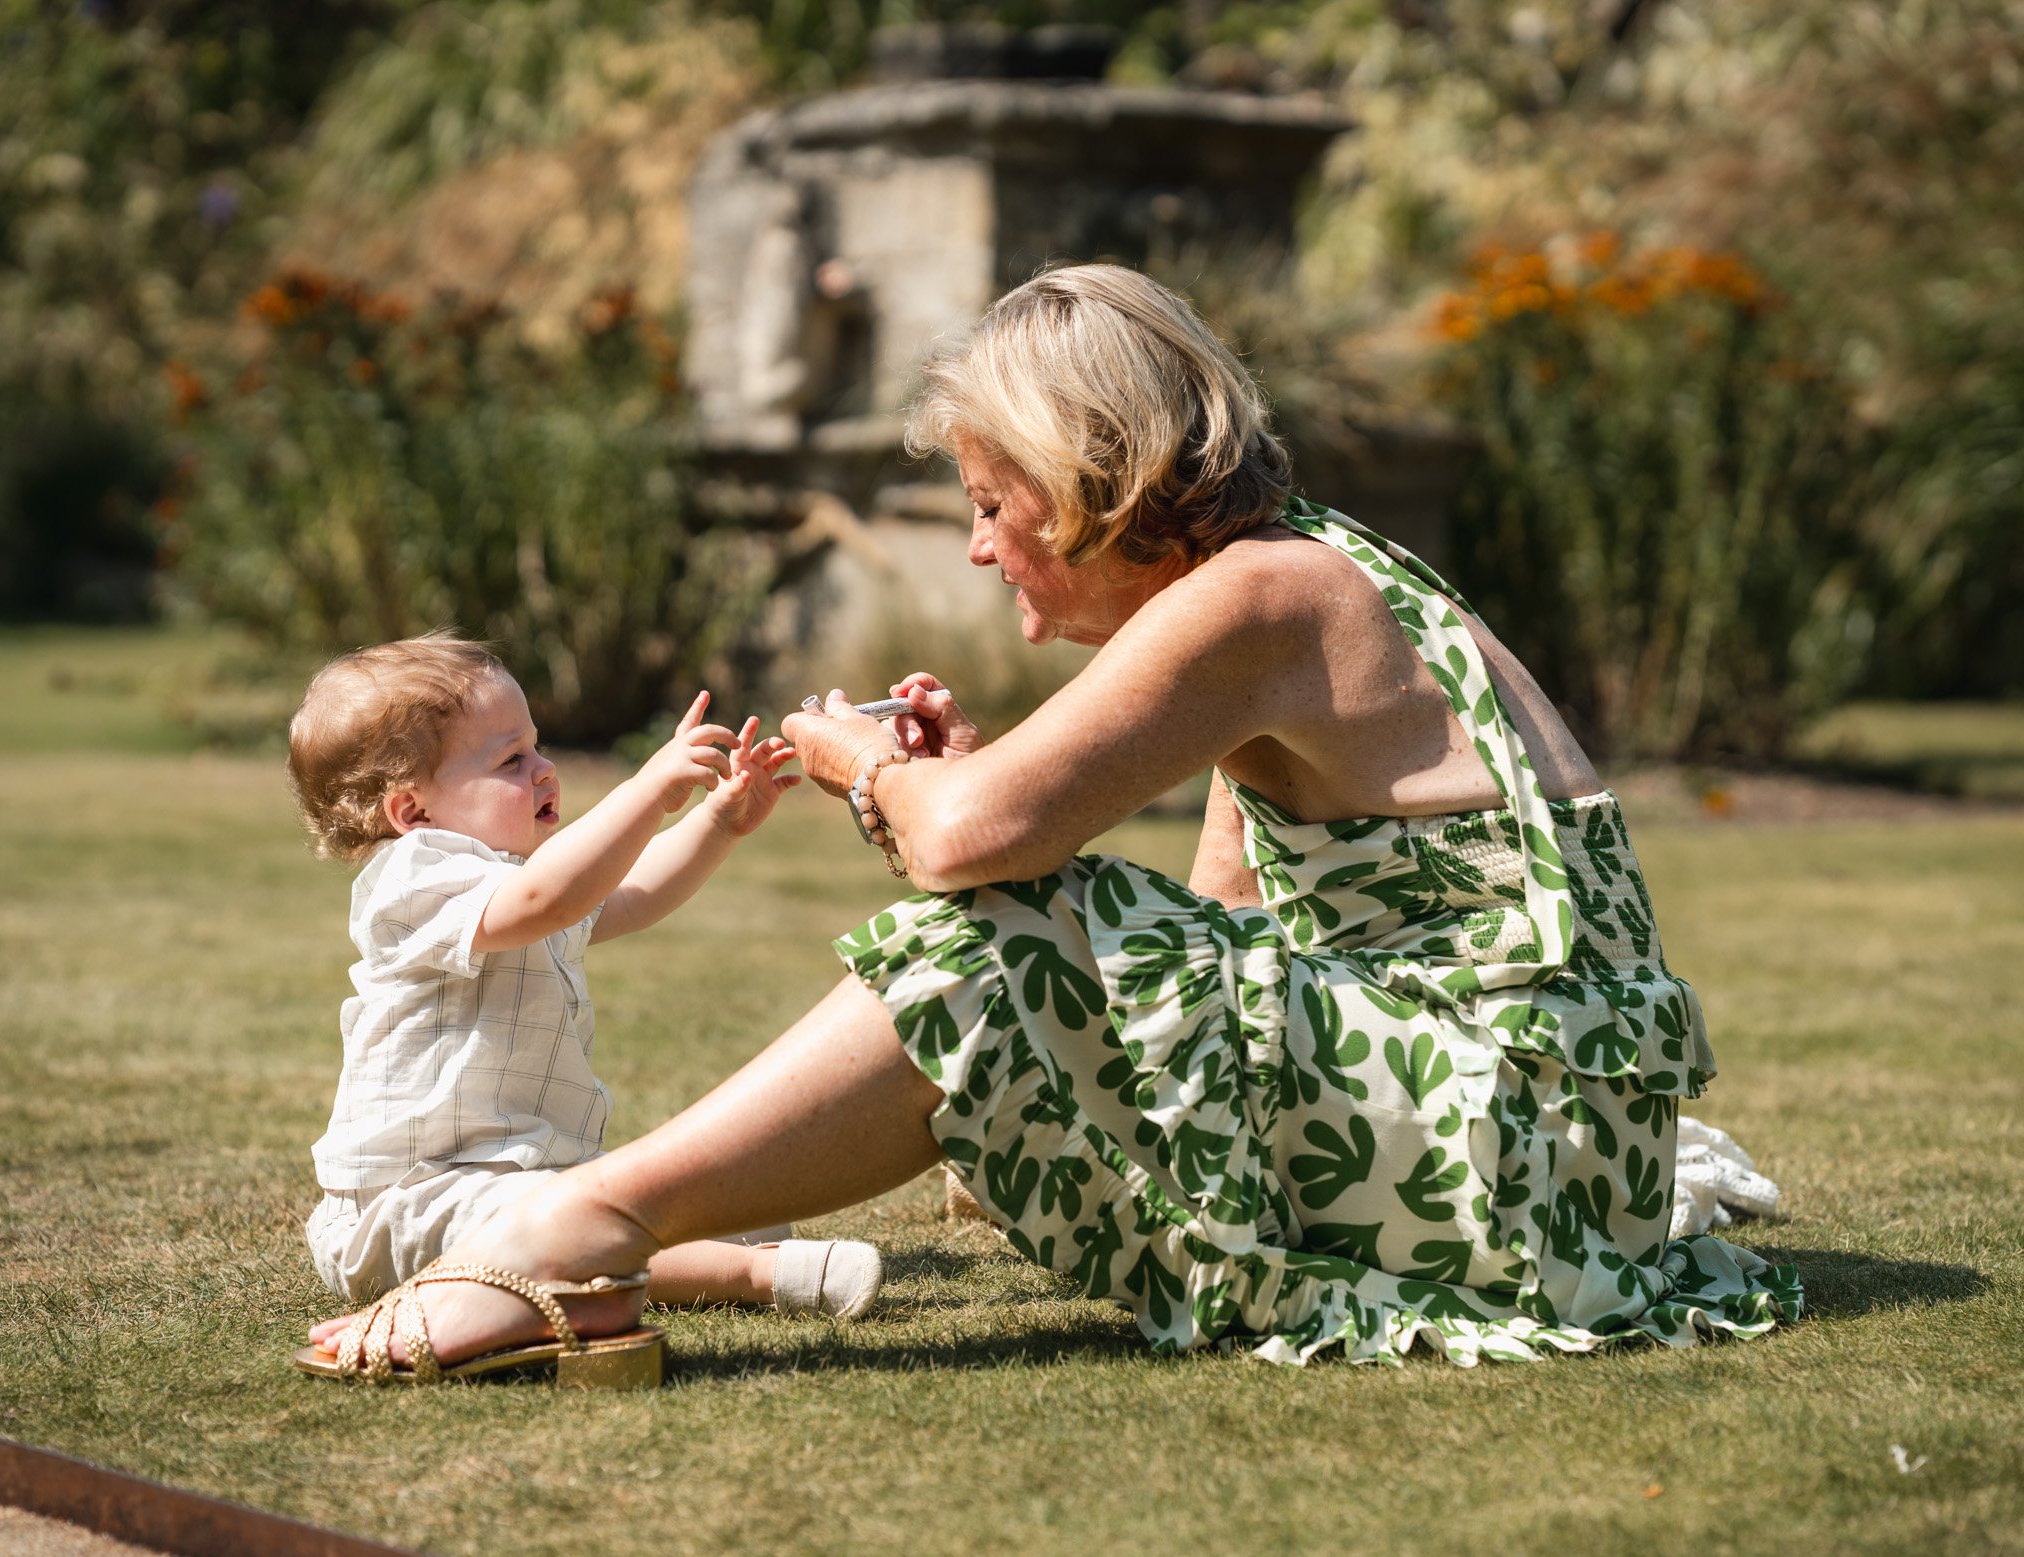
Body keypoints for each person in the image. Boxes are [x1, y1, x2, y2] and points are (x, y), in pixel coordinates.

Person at [300, 265, 1798, 1384]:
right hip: (1547, 1153)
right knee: (1036, 910)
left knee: (996, 931)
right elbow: (1221, 918)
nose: (973, 542)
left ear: (1089, 477)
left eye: (988, 496)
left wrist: (861, 764)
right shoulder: (1308, 571)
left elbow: (977, 857)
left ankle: (571, 1231)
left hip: (1521, 1166)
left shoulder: (1260, 596)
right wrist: (968, 794)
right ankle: (594, 1231)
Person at [284, 634, 884, 1345]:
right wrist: (646, 790)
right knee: (571, 1234)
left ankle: (720, 1240)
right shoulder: (412, 879)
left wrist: (718, 820)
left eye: (537, 748)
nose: (544, 770)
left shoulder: (521, 872)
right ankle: (758, 1274)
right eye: (512, 760)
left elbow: (625, 893)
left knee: (664, 1195)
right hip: (411, 1202)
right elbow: (548, 897)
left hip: (524, 1171)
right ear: (411, 812)